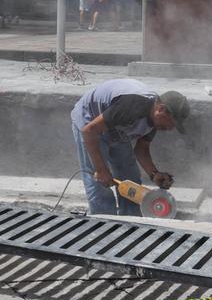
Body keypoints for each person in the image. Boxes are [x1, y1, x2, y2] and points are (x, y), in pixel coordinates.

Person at [70, 79, 190, 216]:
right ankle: (104, 225)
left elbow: (141, 149)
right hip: (91, 122)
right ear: (161, 109)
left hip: (116, 127)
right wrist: (101, 169)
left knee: (130, 178)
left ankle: (130, 220)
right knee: (100, 184)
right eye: (171, 122)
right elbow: (89, 131)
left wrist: (154, 174)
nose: (170, 128)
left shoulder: (154, 119)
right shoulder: (133, 106)